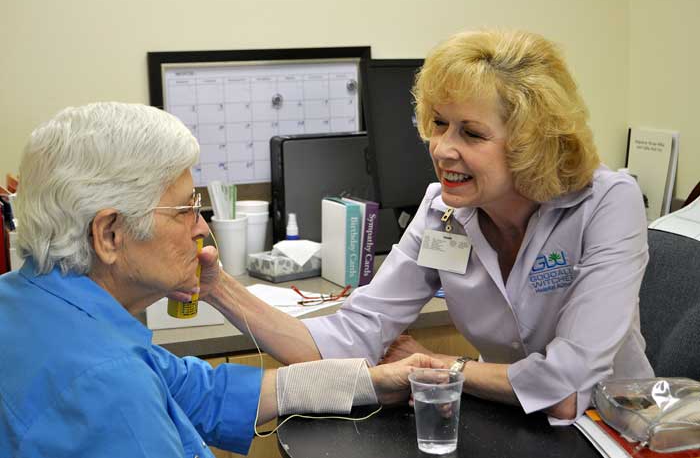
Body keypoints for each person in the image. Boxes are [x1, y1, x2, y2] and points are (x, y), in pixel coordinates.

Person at [205, 29, 655, 425]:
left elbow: (564, 388)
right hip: (508, 421)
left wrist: (443, 365)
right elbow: (346, 340)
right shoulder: (442, 212)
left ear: (530, 143)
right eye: (439, 124)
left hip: (614, 429)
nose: (442, 148)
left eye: (471, 134)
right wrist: (216, 287)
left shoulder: (606, 202)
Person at [0, 102, 445, 458]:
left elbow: (209, 394)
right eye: (185, 209)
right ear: (109, 234)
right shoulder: (107, 385)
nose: (201, 228)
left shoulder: (29, 305)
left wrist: (372, 383)